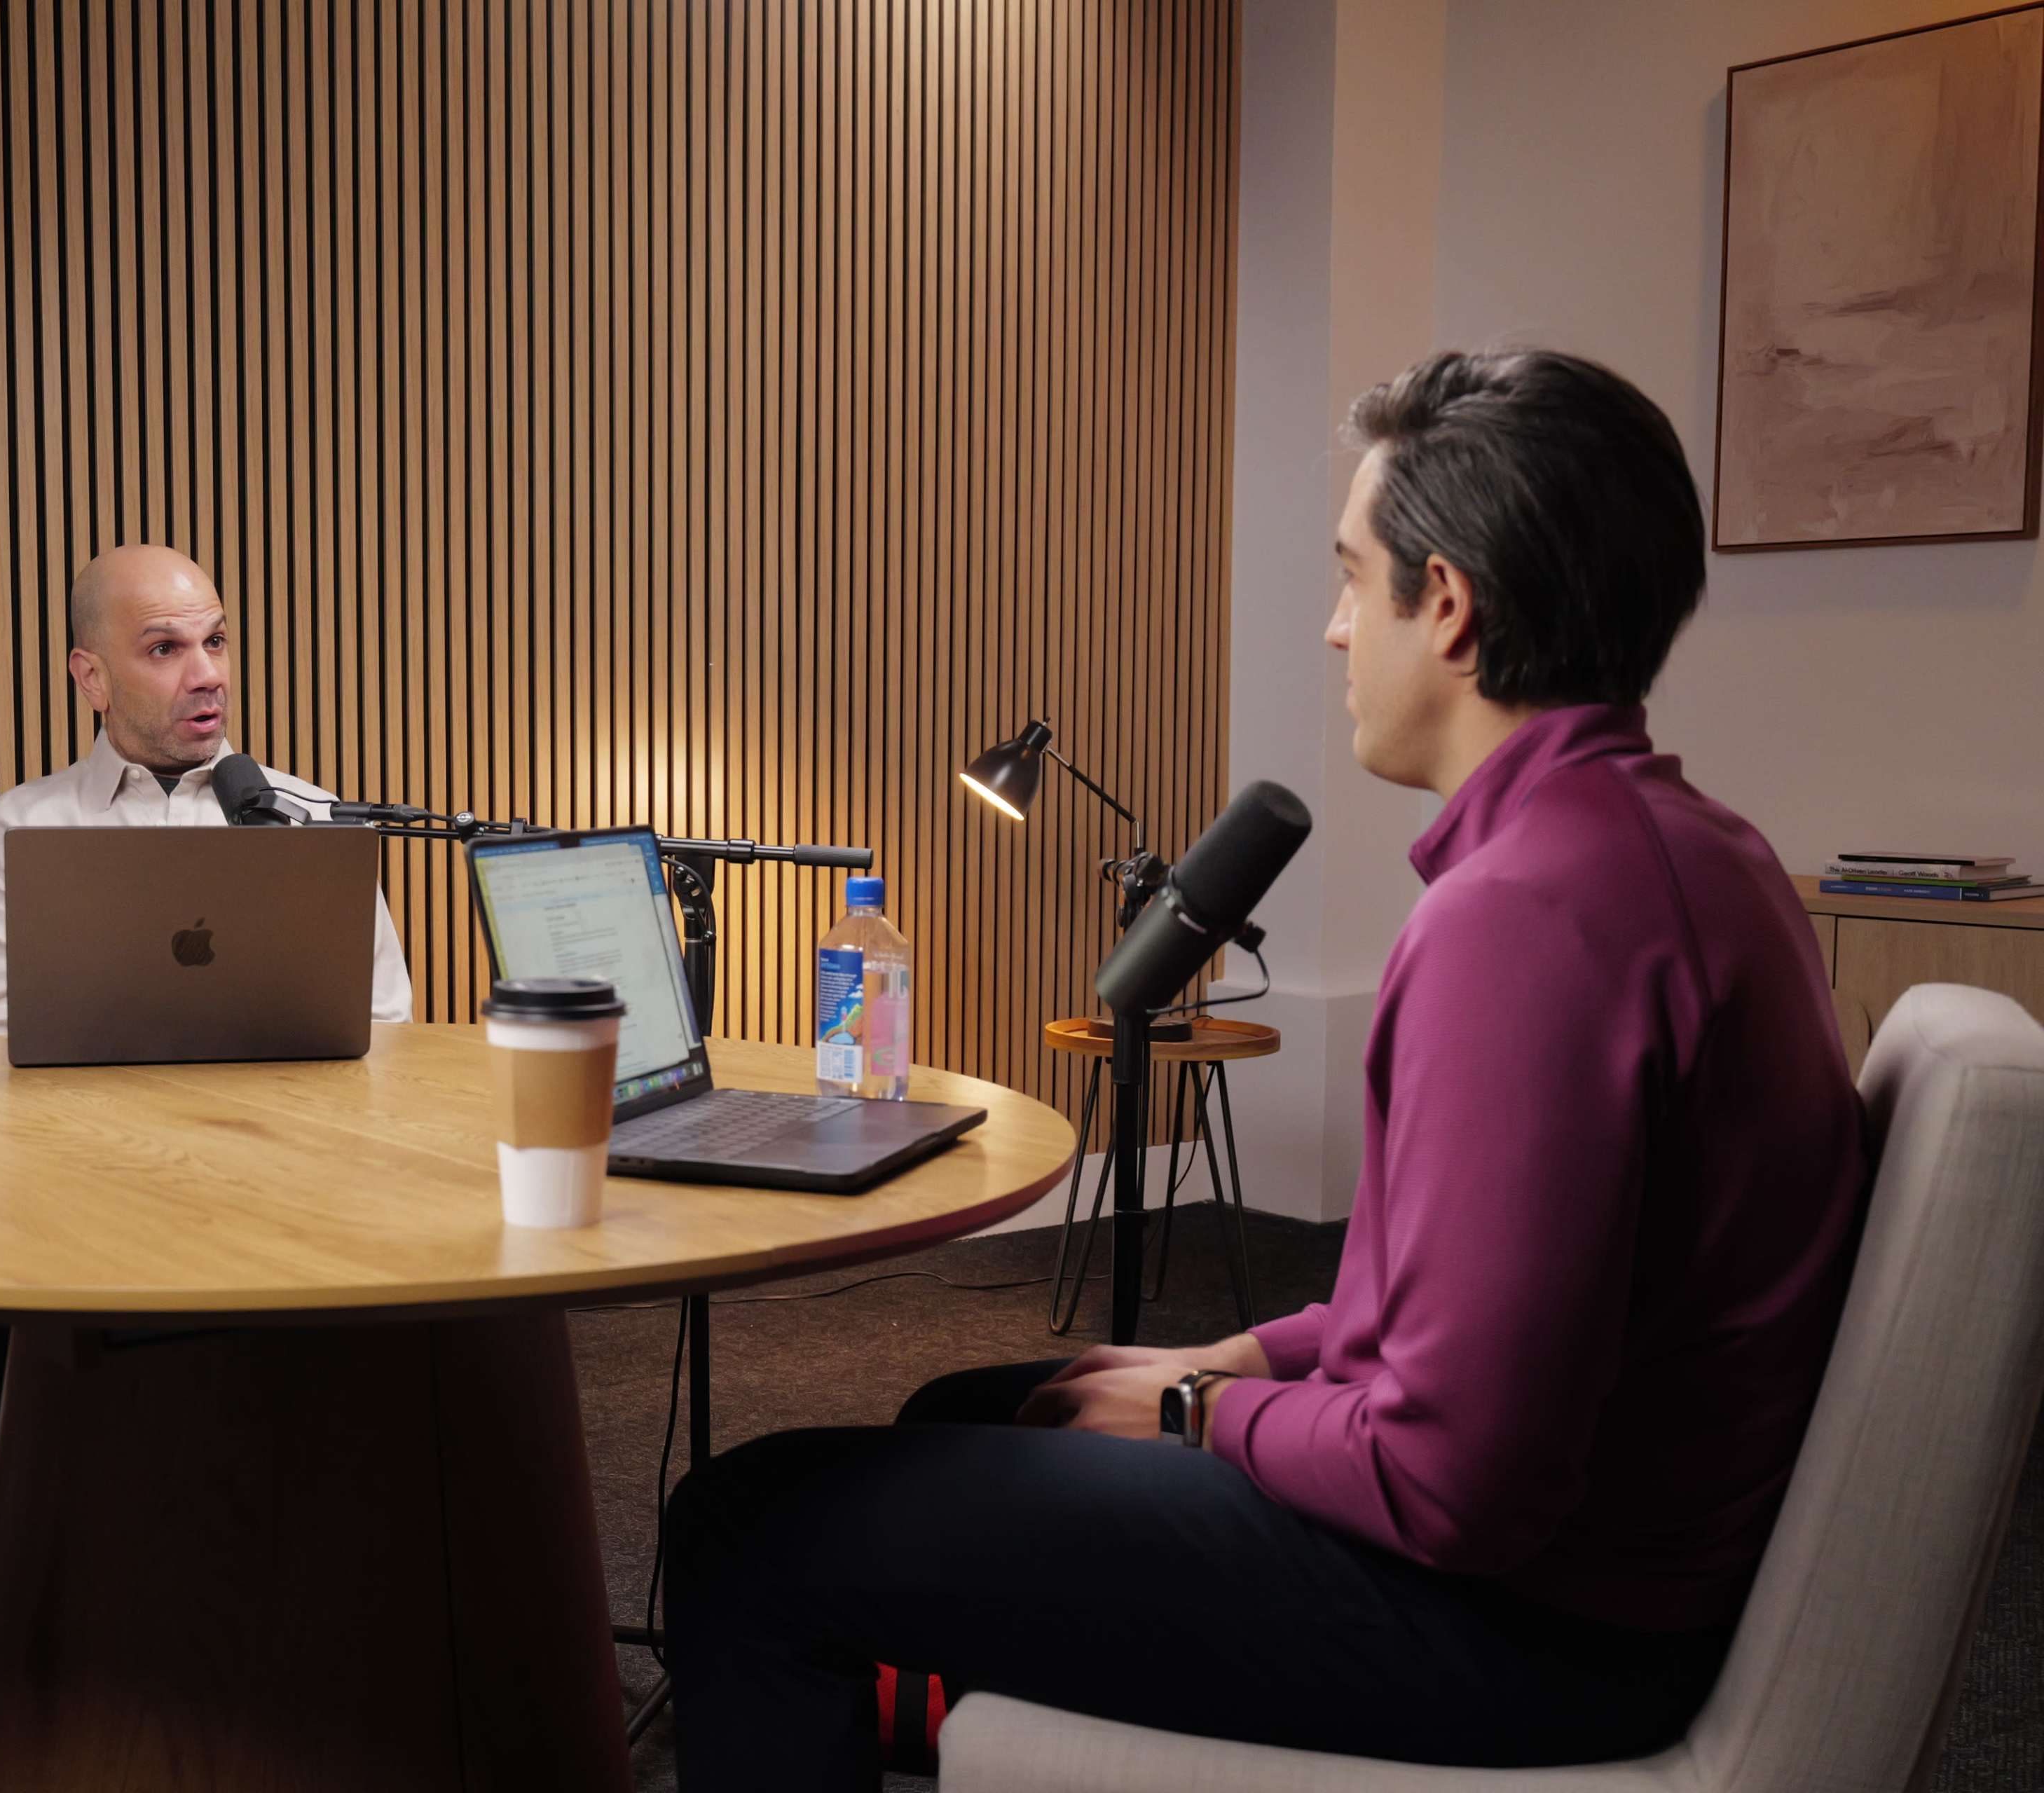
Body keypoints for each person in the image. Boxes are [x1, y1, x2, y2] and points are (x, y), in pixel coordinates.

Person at [661, 349, 1870, 1789]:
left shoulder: (1528, 923)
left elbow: (1451, 1481)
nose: (1333, 630)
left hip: (1520, 1629)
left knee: (745, 1525)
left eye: (1355, 582)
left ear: (1453, 609)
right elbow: (1471, 1313)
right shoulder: (1696, 851)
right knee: (962, 1416)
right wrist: (1239, 1352)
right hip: (1611, 1575)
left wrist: (1200, 1411)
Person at [0, 543, 416, 1464]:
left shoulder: (311, 823)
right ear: (92, 676)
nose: (208, 675)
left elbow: (388, 1033)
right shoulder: (13, 835)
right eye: (165, 650)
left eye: (218, 642)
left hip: (288, 1217)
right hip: (77, 1223)